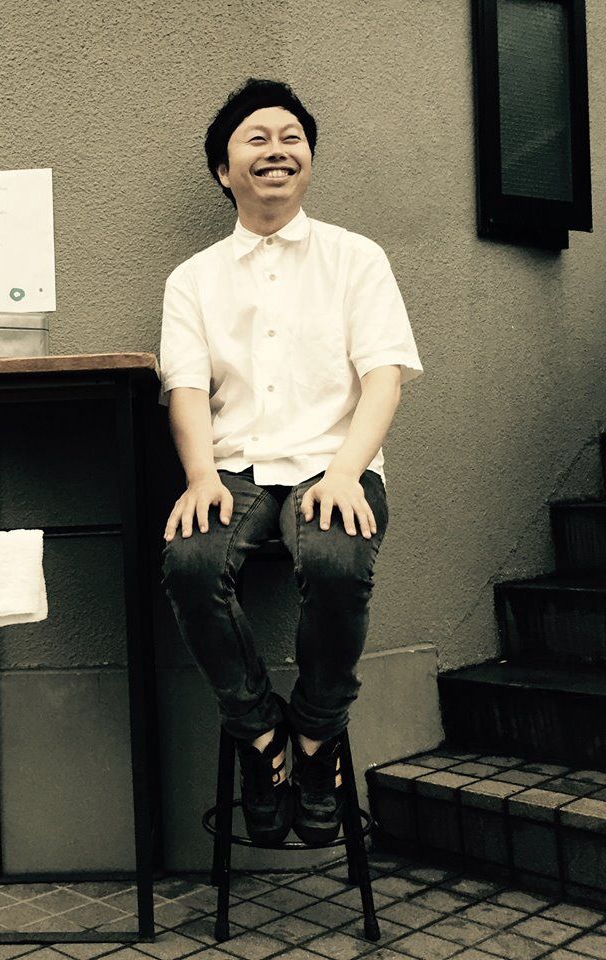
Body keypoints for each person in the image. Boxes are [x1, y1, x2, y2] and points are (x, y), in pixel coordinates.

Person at [158, 78, 423, 846]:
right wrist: (199, 477)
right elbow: (185, 388)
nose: (277, 151)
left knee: (338, 560)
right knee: (189, 562)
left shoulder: (356, 259)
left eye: (291, 138)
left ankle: (314, 734)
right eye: (257, 138)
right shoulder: (193, 279)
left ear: (308, 159)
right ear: (224, 170)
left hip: (333, 464)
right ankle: (258, 733)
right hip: (234, 469)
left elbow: (384, 379)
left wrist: (345, 472)